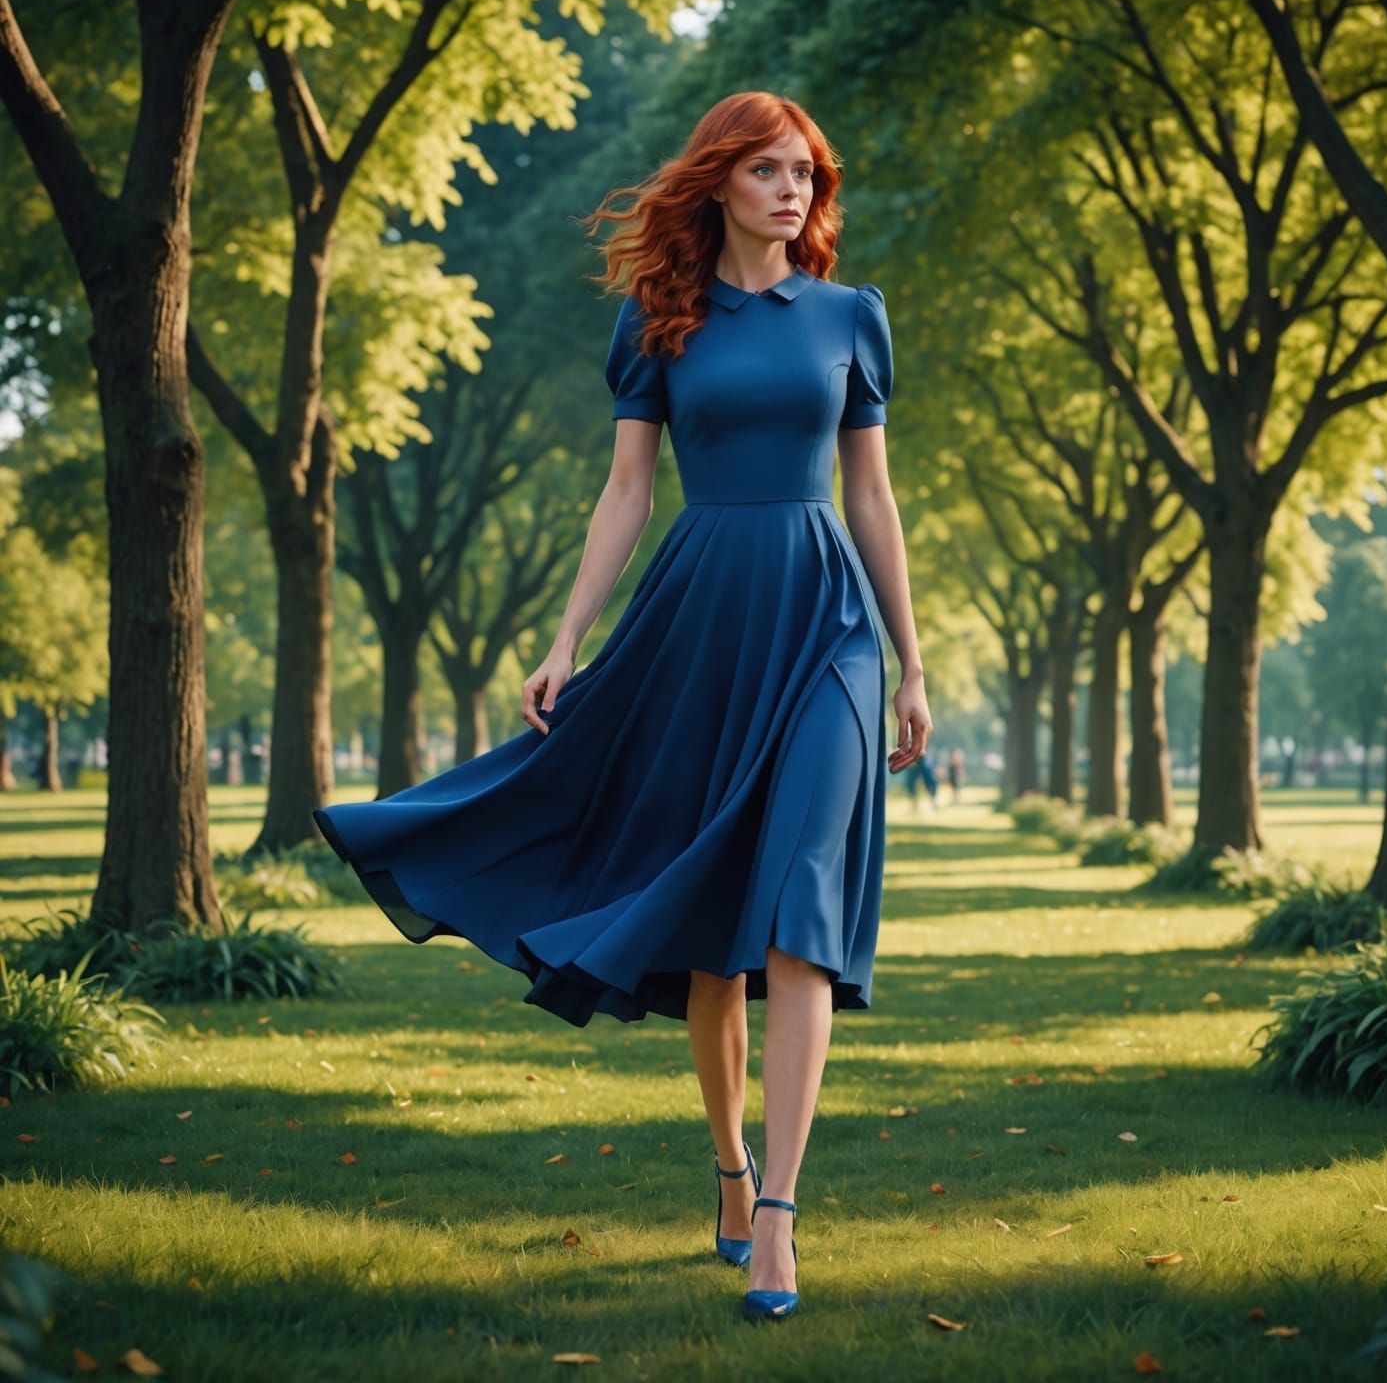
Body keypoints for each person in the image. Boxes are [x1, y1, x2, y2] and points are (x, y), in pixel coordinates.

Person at [312, 90, 931, 1323]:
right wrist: (563, 640)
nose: (792, 190)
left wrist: (910, 666)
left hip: (831, 629)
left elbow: (873, 501)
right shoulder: (660, 323)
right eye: (766, 171)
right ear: (718, 184)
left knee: (801, 908)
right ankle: (728, 1166)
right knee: (713, 939)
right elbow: (627, 496)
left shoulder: (852, 320)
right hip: (701, 622)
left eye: (805, 171)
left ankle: (780, 1220)